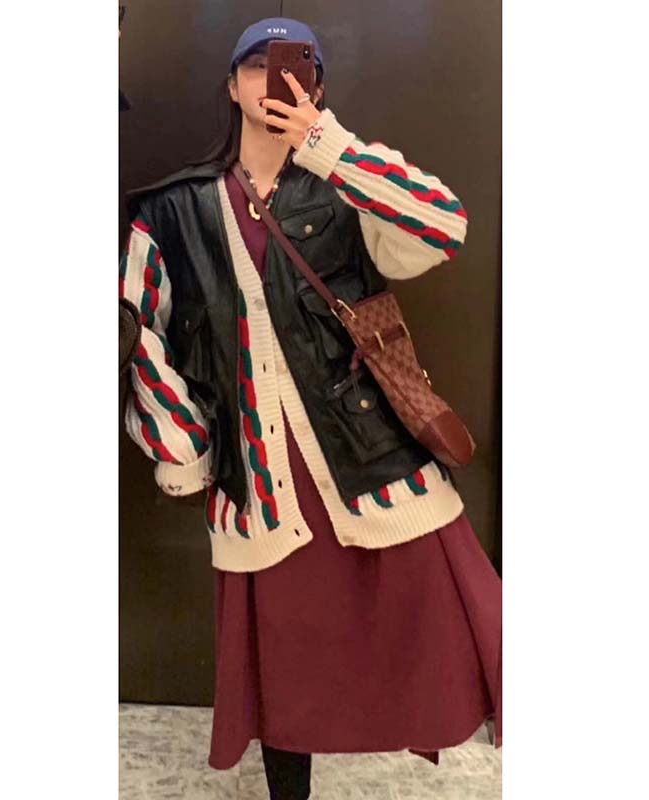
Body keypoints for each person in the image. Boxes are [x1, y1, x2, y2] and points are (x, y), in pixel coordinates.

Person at [119, 16, 501, 800]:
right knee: (284, 663)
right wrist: (183, 450)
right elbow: (139, 337)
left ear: (316, 87)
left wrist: (328, 144)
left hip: (371, 459)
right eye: (254, 67)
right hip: (260, 474)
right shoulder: (172, 211)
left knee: (460, 623)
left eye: (293, 68)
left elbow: (443, 225)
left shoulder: (347, 187)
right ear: (231, 87)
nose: (272, 81)